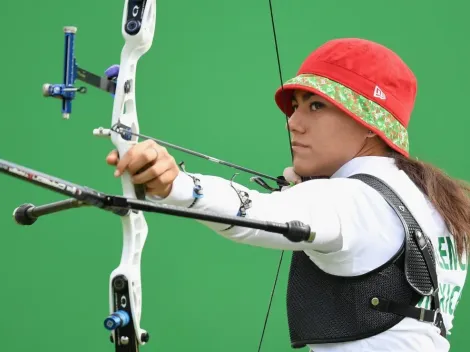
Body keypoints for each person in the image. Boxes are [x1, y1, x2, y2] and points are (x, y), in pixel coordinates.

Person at [104, 38, 469, 352]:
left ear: (369, 123)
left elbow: (257, 213)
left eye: (316, 105)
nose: (293, 122)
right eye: (295, 107)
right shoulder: (425, 199)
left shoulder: (356, 201)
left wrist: (176, 185)